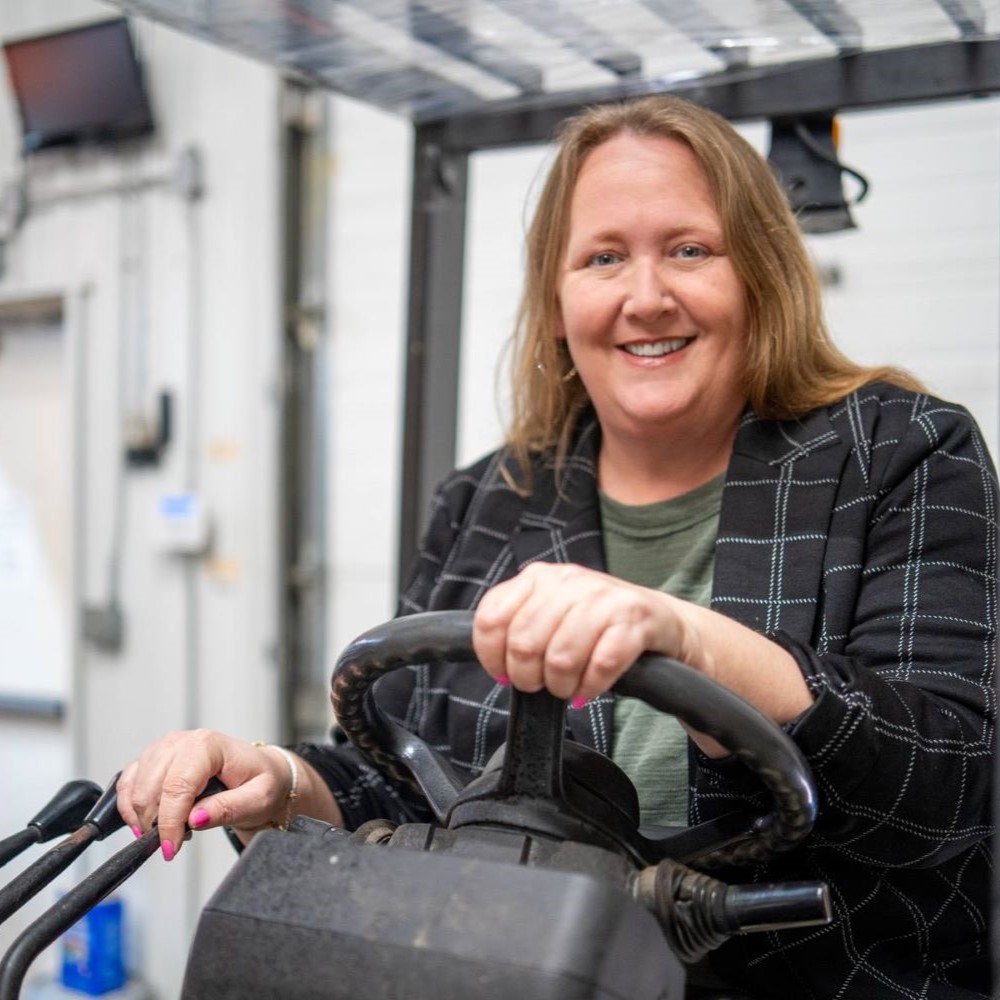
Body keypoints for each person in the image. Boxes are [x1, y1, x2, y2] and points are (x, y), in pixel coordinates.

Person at [117, 96, 996, 998]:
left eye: (690, 250)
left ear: (762, 274)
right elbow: (412, 781)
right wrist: (282, 781)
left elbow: (952, 787)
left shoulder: (899, 454)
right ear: (558, 298)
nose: (645, 297)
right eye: (604, 257)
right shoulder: (489, 499)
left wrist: (691, 642)